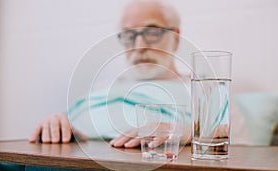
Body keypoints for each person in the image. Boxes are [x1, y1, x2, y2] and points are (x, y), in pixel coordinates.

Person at [29, 0, 190, 147]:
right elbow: (65, 125)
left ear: (175, 38)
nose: (139, 46)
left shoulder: (203, 92)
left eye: (152, 33)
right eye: (129, 35)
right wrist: (56, 125)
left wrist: (188, 132)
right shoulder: (101, 92)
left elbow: (215, 135)